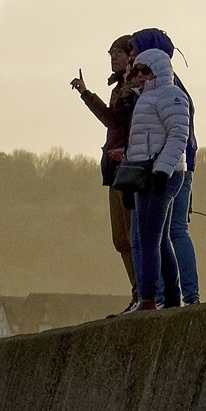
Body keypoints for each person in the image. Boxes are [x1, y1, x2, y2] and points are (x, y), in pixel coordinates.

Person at [127, 26, 201, 307]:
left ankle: (154, 297)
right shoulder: (146, 94)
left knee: (156, 237)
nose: (138, 75)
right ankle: (168, 297)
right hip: (150, 171)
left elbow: (178, 135)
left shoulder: (170, 93)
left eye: (143, 70)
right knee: (157, 238)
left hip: (164, 172)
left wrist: (162, 170)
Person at [69, 36, 140, 300]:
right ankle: (137, 291)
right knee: (121, 239)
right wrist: (86, 94)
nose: (113, 58)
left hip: (128, 166)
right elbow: (111, 122)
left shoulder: (134, 87)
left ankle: (143, 293)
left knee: (133, 238)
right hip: (113, 168)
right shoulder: (119, 87)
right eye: (111, 53)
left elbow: (121, 123)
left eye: (118, 53)